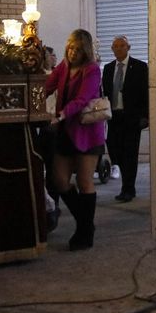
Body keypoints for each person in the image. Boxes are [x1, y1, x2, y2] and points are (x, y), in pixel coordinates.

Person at [42, 28, 105, 250]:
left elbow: (82, 99)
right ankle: (86, 223)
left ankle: (84, 232)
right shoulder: (63, 67)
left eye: (77, 49)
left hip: (87, 133)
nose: (72, 52)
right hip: (65, 132)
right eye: (70, 47)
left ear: (85, 50)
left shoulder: (92, 70)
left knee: (84, 181)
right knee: (59, 180)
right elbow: (47, 86)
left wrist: (61, 114)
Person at [102, 36, 149, 203]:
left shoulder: (140, 67)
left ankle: (128, 188)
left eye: (122, 46)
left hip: (132, 117)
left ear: (128, 47)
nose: (119, 49)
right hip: (113, 117)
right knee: (116, 151)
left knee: (130, 153)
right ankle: (125, 181)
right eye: (115, 46)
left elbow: (146, 93)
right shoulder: (108, 68)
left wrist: (145, 116)